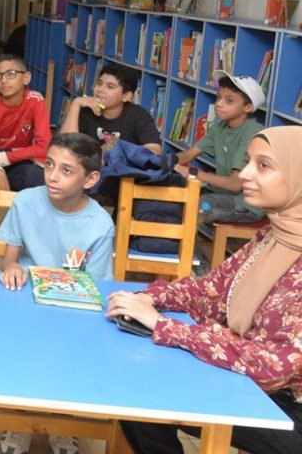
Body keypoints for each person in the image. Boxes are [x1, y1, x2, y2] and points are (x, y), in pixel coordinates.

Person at [108, 126, 302, 454]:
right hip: (257, 385)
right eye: (248, 162)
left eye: (263, 165)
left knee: (142, 394)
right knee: (136, 382)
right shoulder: (273, 236)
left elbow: (273, 367)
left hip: (288, 410)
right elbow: (209, 291)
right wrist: (151, 298)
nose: (246, 174)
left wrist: (164, 326)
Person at [0, 132, 115, 454]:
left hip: (72, 306)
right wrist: (11, 267)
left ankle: (62, 424)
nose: (52, 176)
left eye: (66, 170)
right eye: (49, 165)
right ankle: (18, 422)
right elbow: (9, 258)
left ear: (90, 179)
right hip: (24, 297)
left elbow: (96, 286)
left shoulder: (100, 224)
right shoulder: (25, 201)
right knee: (20, 350)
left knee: (68, 355)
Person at [60, 63, 161, 202]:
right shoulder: (85, 110)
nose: (100, 90)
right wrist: (76, 104)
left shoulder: (138, 116)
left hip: (121, 180)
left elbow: (154, 151)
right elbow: (64, 146)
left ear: (126, 96)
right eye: (99, 83)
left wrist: (118, 151)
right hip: (86, 176)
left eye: (110, 87)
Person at [174, 70, 265, 224]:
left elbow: (236, 184)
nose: (218, 104)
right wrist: (165, 161)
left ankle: (186, 240)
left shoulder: (252, 133)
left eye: (229, 101)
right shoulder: (220, 126)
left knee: (198, 207)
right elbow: (189, 155)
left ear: (248, 107)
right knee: (176, 193)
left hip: (246, 204)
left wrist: (193, 173)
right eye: (218, 97)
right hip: (222, 193)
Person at [0, 54, 52, 192]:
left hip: (18, 163)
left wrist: (6, 157)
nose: (3, 81)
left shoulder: (36, 100)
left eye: (10, 74)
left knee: (38, 179)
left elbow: (44, 146)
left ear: (26, 78)